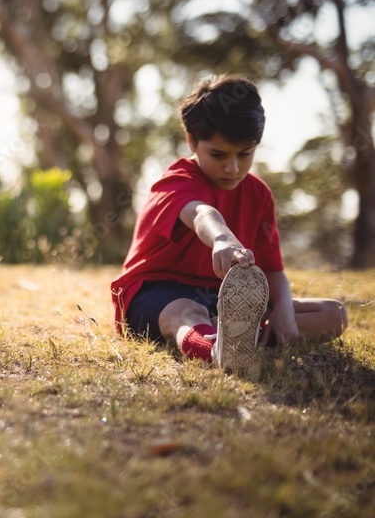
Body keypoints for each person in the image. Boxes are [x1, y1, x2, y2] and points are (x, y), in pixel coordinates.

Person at [111, 74, 348, 371]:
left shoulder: (259, 194)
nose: (232, 168)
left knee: (334, 313)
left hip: (224, 301)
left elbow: (273, 269)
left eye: (244, 154)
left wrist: (284, 311)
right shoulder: (177, 181)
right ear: (192, 141)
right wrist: (222, 238)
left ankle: (241, 336)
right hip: (152, 293)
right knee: (187, 311)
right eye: (218, 155)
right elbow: (200, 213)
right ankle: (212, 348)